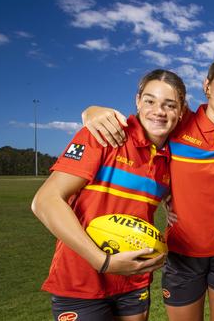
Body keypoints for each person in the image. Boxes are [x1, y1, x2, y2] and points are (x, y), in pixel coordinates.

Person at [82, 57, 214, 321]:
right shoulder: (180, 121)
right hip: (182, 253)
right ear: (206, 86)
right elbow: (149, 122)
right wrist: (91, 110)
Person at [31, 69, 186, 321]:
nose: (159, 111)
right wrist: (103, 262)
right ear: (137, 101)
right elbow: (45, 201)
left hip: (134, 280)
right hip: (81, 281)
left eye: (169, 105)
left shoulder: (171, 158)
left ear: (181, 111)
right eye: (150, 101)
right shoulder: (104, 134)